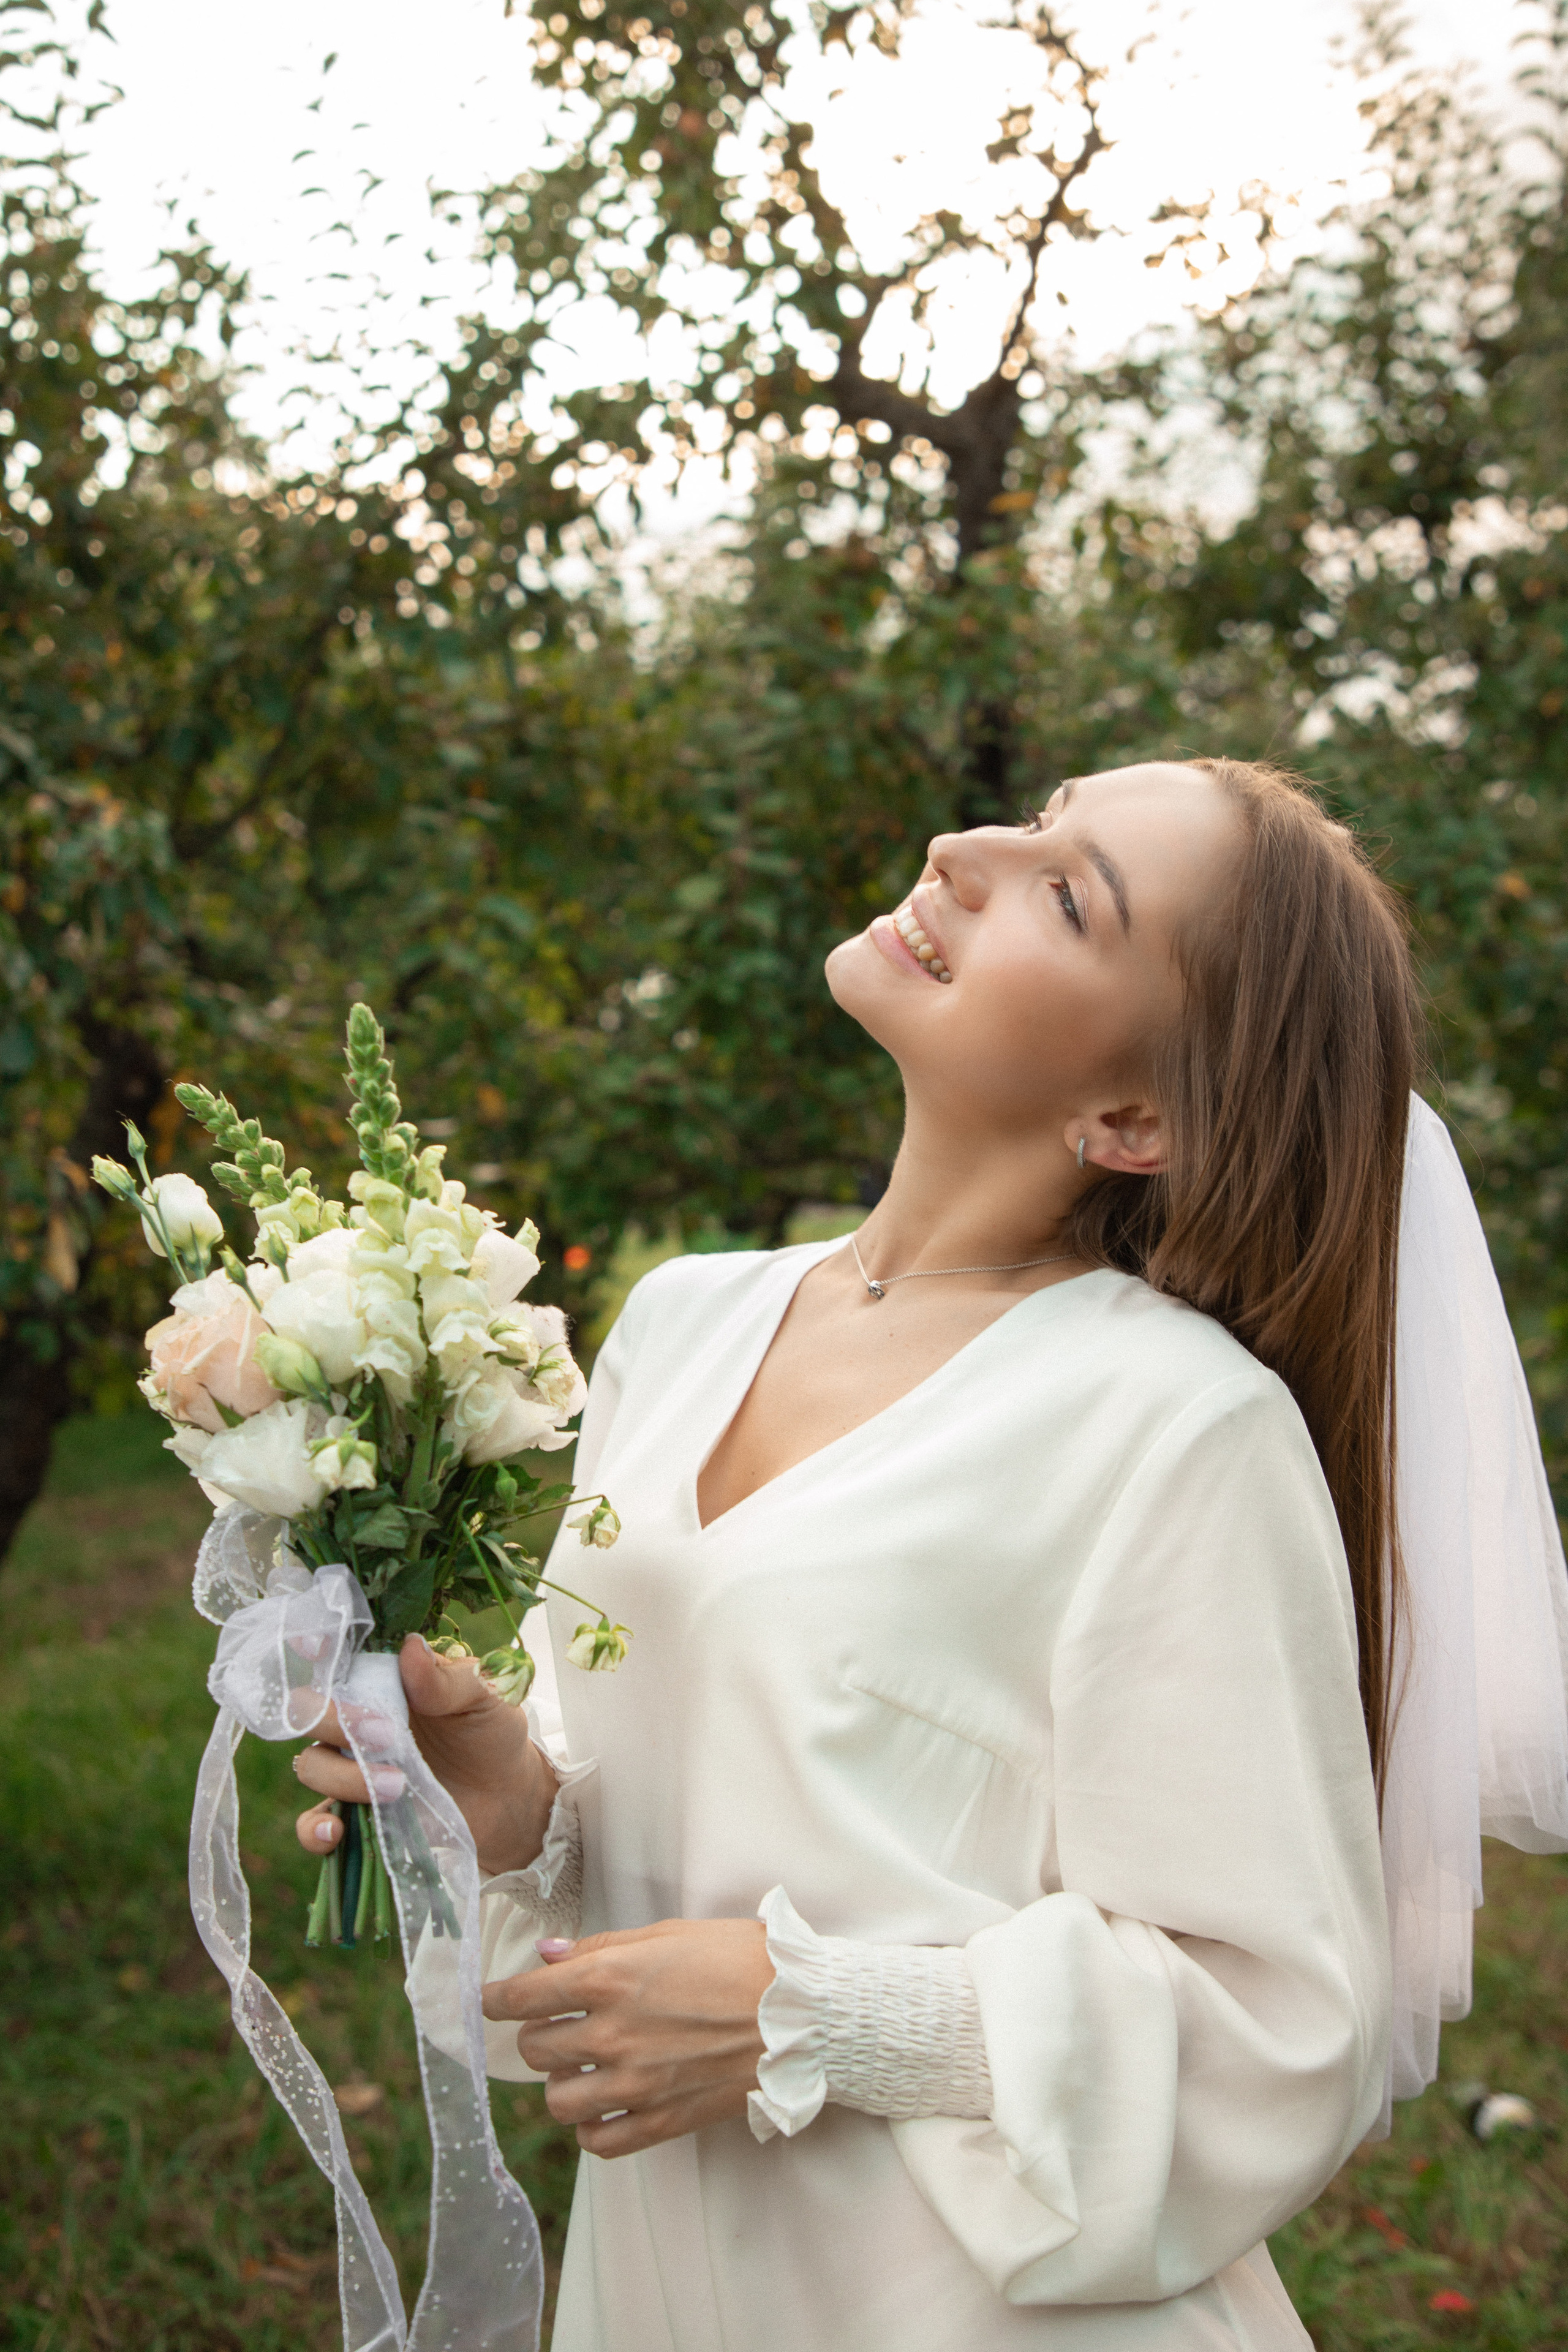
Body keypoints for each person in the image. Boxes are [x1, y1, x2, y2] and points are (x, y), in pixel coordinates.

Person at [292, 757, 1416, 2350]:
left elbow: (1279, 2027)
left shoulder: (1177, 1425)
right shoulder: (683, 1319)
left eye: (1067, 891)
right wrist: (512, 1803)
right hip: (673, 2285)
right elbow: (679, 1799)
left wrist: (811, 2013)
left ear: (1136, 1114)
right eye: (1026, 819)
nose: (964, 849)